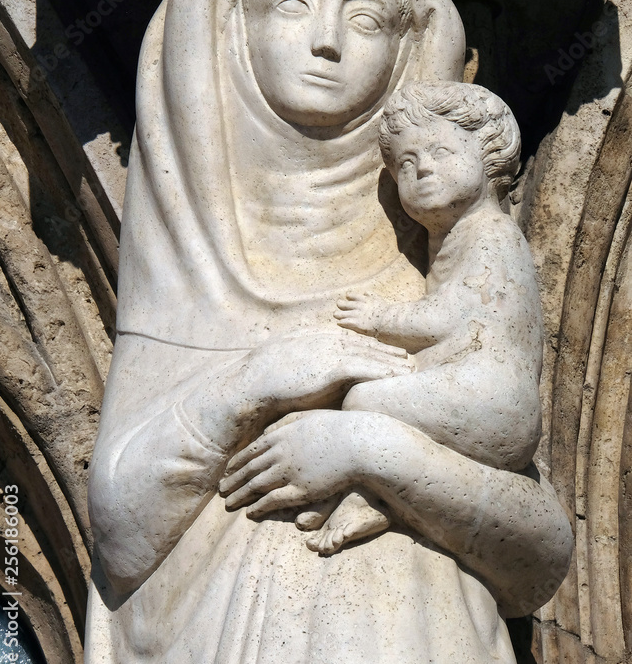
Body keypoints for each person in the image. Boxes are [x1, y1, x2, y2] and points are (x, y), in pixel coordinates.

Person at [84, 0, 572, 664]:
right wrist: (253, 383)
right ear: (226, 36)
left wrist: (366, 448)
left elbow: (540, 554)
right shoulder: (184, 276)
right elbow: (124, 538)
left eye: (365, 18)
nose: (325, 42)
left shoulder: (448, 259)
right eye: (290, 4)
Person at [231, 82, 543, 556]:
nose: (424, 169)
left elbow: (453, 316)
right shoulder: (459, 237)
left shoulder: (492, 234)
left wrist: (380, 316)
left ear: (489, 155)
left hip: (492, 397)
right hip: (472, 389)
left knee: (364, 401)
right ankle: (370, 498)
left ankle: (367, 489)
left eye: (440, 151)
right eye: (407, 164)